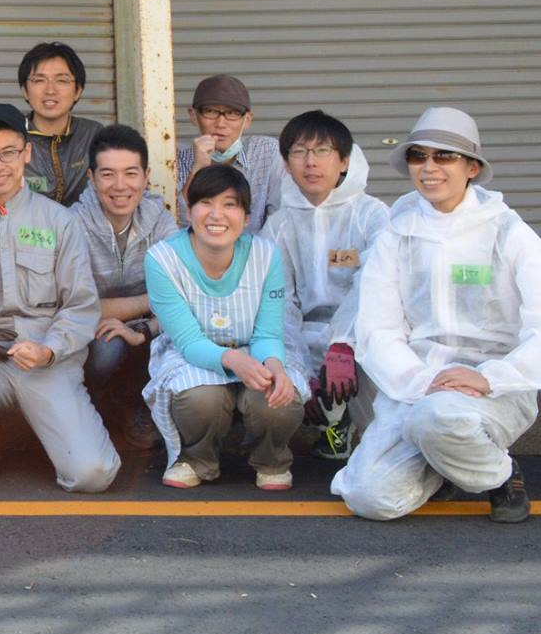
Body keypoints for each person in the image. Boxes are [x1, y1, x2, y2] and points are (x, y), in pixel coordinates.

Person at [332, 108, 541, 524]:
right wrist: (421, 381)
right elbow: (378, 327)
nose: (429, 167)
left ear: (472, 168)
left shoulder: (507, 232)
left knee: (437, 419)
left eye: (444, 156)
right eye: (418, 156)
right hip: (416, 386)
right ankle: (450, 463)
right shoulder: (397, 233)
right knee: (369, 498)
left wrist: (493, 377)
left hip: (493, 391)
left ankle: (500, 476)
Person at [0, 105, 119, 492]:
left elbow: (81, 305)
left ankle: (49, 425)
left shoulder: (59, 221)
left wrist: (49, 350)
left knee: (93, 475)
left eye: (8, 153)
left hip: (46, 357)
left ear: (26, 154)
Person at [142, 164, 306, 491]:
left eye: (230, 204)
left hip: (254, 347)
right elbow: (188, 340)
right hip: (192, 353)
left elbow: (268, 333)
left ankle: (272, 460)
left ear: (246, 217)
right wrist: (232, 360)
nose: (216, 215)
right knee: (201, 398)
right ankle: (197, 459)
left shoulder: (266, 255)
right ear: (189, 210)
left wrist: (274, 366)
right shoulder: (162, 259)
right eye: (206, 202)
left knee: (278, 395)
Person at [260, 110, 390, 461]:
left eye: (322, 151)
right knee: (280, 371)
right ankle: (331, 424)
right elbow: (279, 300)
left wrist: (343, 342)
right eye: (299, 152)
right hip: (304, 333)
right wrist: (297, 367)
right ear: (286, 163)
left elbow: (375, 285)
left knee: (385, 428)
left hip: (363, 332)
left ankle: (365, 430)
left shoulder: (370, 215)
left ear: (344, 161)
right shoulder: (279, 225)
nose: (311, 163)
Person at [71, 124, 179, 451]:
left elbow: (180, 294)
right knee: (107, 346)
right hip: (91, 330)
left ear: (146, 177)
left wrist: (144, 324)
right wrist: (149, 301)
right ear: (91, 178)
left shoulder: (160, 220)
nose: (120, 186)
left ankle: (135, 404)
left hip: (148, 326)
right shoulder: (71, 224)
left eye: (130, 173)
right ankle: (93, 405)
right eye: (108, 174)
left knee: (176, 335)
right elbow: (78, 305)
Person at [174, 74, 283, 231]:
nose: (221, 123)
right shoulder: (174, 158)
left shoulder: (267, 151)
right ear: (194, 116)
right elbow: (178, 223)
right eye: (210, 111)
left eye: (232, 113)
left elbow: (281, 219)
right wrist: (198, 168)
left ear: (247, 120)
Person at [15, 42, 103, 206]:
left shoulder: (94, 135)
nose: (50, 90)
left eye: (62, 80)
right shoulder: (11, 137)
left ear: (78, 91)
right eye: (39, 80)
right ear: (25, 91)